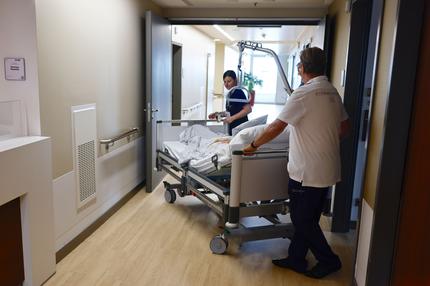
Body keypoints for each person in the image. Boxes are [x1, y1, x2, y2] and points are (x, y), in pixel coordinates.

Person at [243, 47, 350, 279]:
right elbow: (344, 127)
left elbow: (276, 127)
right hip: (327, 168)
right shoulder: (332, 92)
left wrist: (252, 147)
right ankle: (296, 258)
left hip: (306, 172)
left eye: (299, 66)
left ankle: (329, 260)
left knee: (301, 219)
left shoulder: (303, 94)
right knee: (308, 218)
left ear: (302, 68)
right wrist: (323, 139)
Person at [209, 70, 252, 135]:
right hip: (233, 129)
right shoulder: (230, 94)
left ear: (235, 81)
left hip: (240, 128)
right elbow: (230, 112)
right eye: (224, 82)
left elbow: (248, 109)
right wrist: (218, 114)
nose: (226, 84)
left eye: (229, 81)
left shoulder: (238, 92)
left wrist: (232, 118)